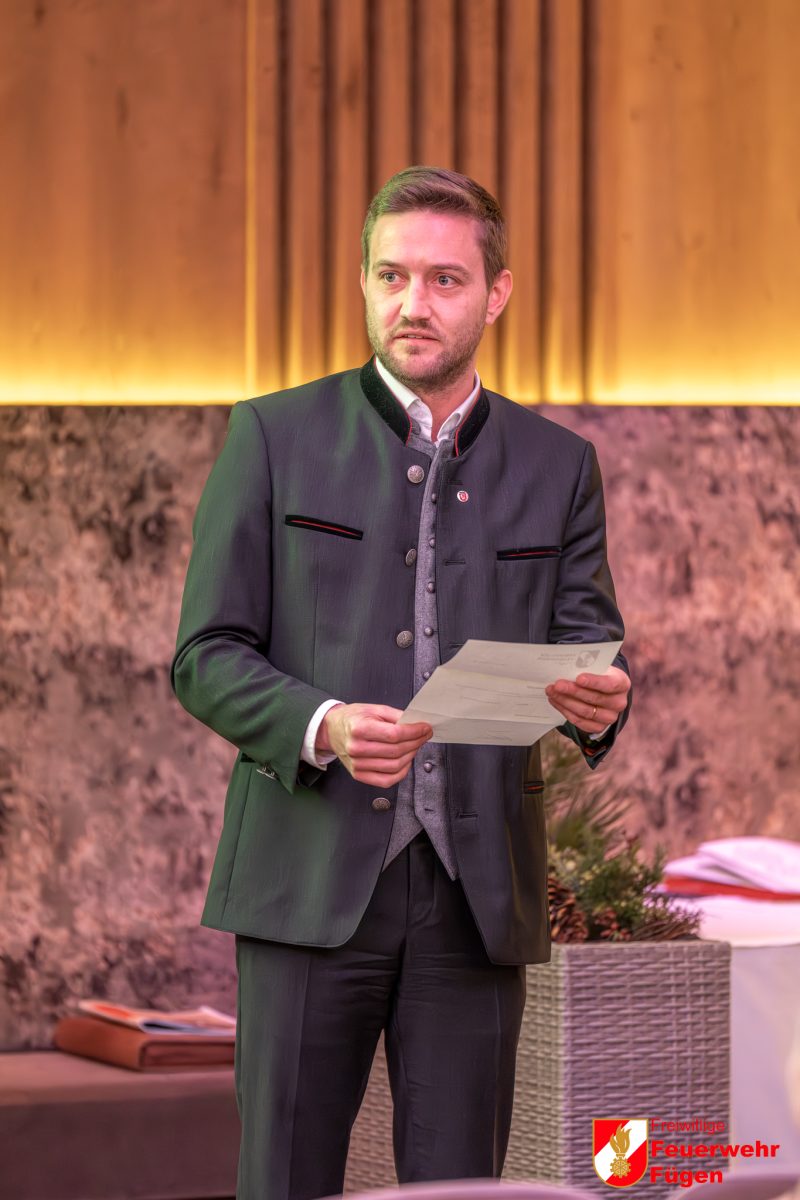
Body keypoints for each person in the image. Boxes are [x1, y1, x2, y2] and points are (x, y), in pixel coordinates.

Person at [171, 165, 632, 1200]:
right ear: (365, 282)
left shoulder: (559, 464)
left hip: (478, 897)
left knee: (459, 1189)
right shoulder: (272, 436)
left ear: (496, 293)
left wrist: (601, 704)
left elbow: (586, 643)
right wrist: (324, 723)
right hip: (304, 881)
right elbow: (204, 654)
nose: (411, 303)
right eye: (390, 276)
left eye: (442, 280)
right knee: (282, 1180)